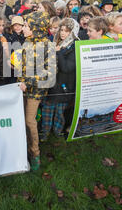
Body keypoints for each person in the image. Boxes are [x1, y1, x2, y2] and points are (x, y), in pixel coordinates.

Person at [18, 11, 56, 171]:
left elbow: (50, 75)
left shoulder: (48, 46)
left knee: (29, 120)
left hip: (36, 91)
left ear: (36, 28)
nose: (23, 28)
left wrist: (28, 82)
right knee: (21, 120)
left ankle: (35, 154)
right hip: (22, 87)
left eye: (26, 26)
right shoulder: (26, 42)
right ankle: (22, 149)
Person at [41, 18, 77, 141]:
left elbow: (67, 67)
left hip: (64, 85)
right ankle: (45, 132)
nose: (62, 33)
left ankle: (57, 131)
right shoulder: (54, 43)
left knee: (60, 111)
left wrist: (59, 53)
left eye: (66, 31)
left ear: (72, 32)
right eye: (61, 30)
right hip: (52, 84)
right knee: (47, 108)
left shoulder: (74, 46)